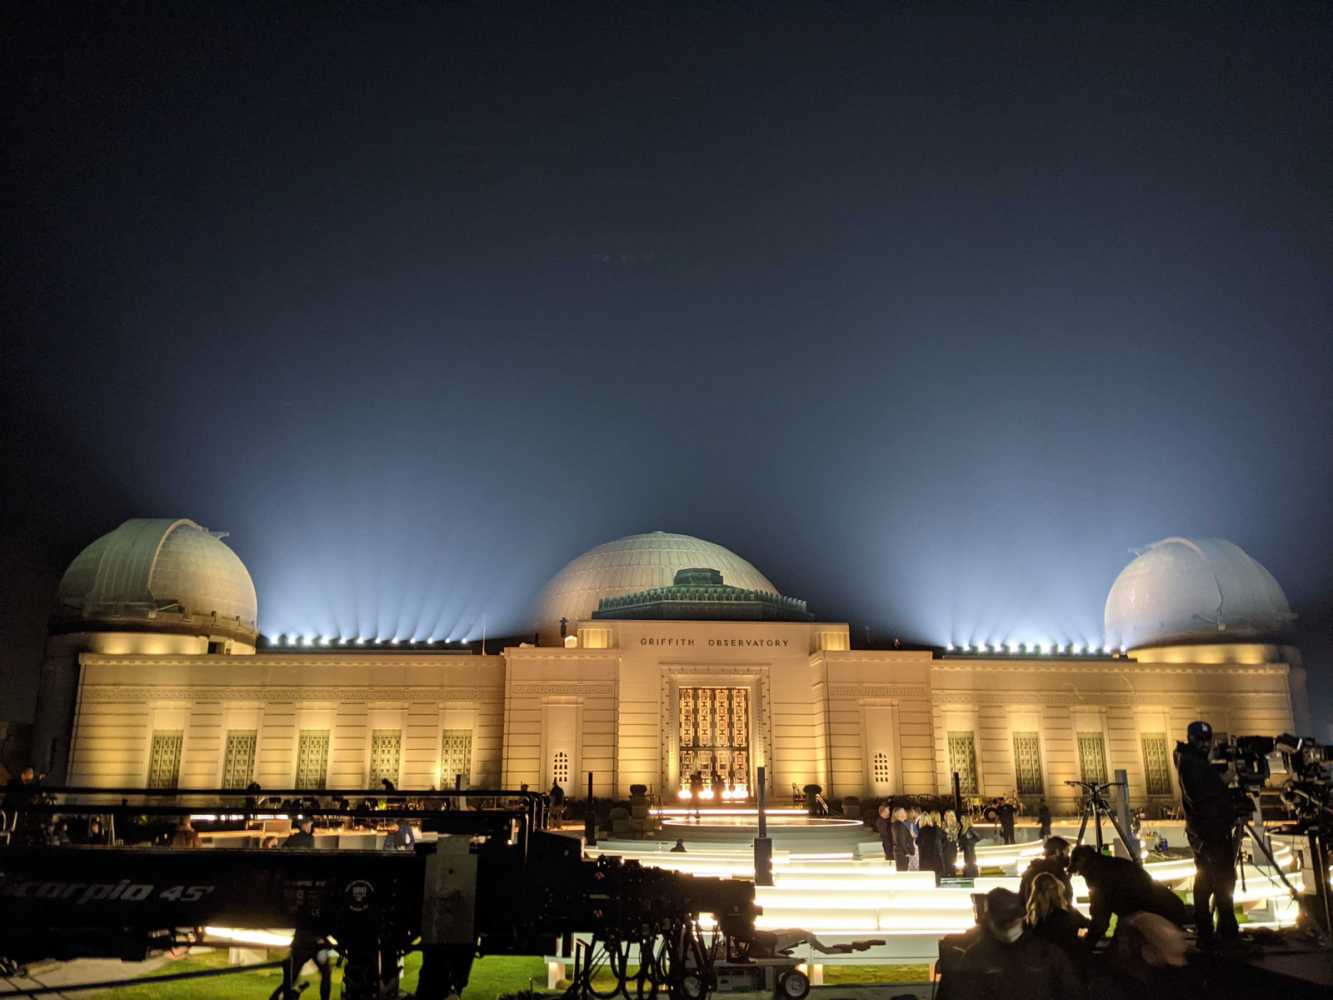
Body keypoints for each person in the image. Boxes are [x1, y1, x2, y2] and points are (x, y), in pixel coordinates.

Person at [936, 887, 1082, 1000]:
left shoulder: (974, 955)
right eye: (1004, 920)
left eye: (1011, 918)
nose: (1008, 923)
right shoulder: (1047, 953)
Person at [1172, 720, 1239, 949]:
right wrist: (1223, 782)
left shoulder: (1193, 761)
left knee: (1207, 881)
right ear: (1190, 738)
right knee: (1221, 882)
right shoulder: (1191, 764)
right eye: (1199, 739)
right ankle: (1224, 933)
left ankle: (1209, 931)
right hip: (1209, 831)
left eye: (1206, 739)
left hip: (1207, 831)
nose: (1204, 744)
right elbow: (1202, 796)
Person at [1069, 845, 1187, 947]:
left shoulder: (1097, 875)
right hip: (1166, 908)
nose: (1081, 875)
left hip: (1155, 915)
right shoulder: (1112, 864)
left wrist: (1086, 945)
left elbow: (1101, 916)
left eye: (1079, 872)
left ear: (1082, 862)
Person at [1025, 871, 1089, 966]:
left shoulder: (1031, 918)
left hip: (1042, 966)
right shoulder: (1066, 914)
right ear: (1057, 891)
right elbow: (1087, 925)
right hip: (1067, 964)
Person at [1020, 836, 1073, 905]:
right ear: (1057, 852)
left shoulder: (1031, 870)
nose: (1068, 857)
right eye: (1067, 853)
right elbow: (1065, 901)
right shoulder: (1058, 875)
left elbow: (1022, 899)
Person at [916, 811, 945, 884]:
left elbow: (918, 843)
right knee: (937, 882)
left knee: (927, 882)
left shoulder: (922, 831)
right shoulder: (935, 829)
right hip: (936, 859)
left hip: (926, 861)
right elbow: (943, 839)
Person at [890, 806, 916, 872]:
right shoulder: (900, 825)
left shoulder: (896, 824)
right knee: (903, 872)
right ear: (899, 814)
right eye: (904, 812)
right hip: (902, 853)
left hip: (899, 853)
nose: (905, 813)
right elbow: (902, 841)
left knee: (901, 871)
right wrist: (907, 852)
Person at [940, 808, 960, 875]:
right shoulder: (943, 824)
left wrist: (947, 830)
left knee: (951, 864)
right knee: (944, 865)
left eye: (947, 815)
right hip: (944, 847)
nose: (945, 816)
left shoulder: (956, 825)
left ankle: (951, 876)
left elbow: (952, 837)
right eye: (945, 815)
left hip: (951, 847)